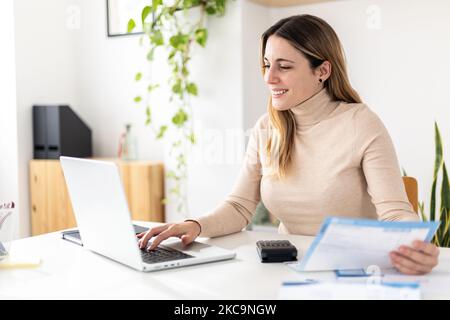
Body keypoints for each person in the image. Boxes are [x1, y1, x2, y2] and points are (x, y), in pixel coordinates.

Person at [137, 14, 439, 275]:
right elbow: (239, 207)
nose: (270, 77)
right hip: (288, 267)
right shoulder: (267, 127)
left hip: (353, 269)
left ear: (322, 71)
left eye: (284, 66)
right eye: (267, 64)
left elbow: (395, 212)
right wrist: (195, 226)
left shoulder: (361, 123)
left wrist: (418, 244)